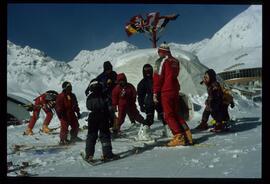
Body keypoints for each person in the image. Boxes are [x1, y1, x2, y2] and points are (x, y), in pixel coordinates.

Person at [153, 42, 193, 147]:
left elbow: (158, 77)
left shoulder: (161, 61)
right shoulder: (175, 61)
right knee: (176, 113)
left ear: (160, 51)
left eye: (159, 52)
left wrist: (155, 92)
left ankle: (178, 136)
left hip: (166, 90)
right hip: (175, 89)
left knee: (168, 115)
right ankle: (187, 134)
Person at [84, 79, 118, 161]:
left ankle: (89, 155)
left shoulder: (89, 97)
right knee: (105, 135)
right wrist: (112, 118)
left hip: (92, 117)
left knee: (91, 136)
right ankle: (107, 154)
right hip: (103, 116)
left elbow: (88, 107)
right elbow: (110, 108)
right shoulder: (105, 95)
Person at [137, 64, 170, 140]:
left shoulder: (156, 79)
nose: (148, 72)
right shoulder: (142, 83)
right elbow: (140, 95)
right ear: (143, 71)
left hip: (159, 101)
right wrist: (141, 105)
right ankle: (143, 133)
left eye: (149, 69)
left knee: (164, 117)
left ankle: (167, 130)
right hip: (149, 102)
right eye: (146, 70)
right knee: (150, 118)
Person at [112, 73, 147, 137]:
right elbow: (114, 98)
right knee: (120, 118)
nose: (122, 82)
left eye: (123, 80)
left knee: (136, 115)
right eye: (120, 81)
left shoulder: (129, 86)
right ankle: (116, 130)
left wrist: (133, 99)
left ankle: (145, 124)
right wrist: (114, 106)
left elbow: (134, 93)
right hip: (121, 106)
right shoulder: (116, 89)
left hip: (131, 105)